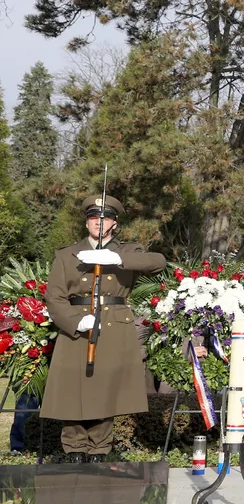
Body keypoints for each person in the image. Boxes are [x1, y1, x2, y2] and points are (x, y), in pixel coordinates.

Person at [42, 194, 168, 461]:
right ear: (86, 223)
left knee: (105, 387)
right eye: (93, 218)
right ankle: (74, 447)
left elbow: (158, 262)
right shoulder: (67, 255)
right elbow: (54, 297)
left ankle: (100, 448)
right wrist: (75, 321)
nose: (98, 222)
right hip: (77, 325)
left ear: (115, 222)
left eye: (105, 217)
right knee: (72, 386)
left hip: (113, 326)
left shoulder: (128, 251)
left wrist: (117, 259)